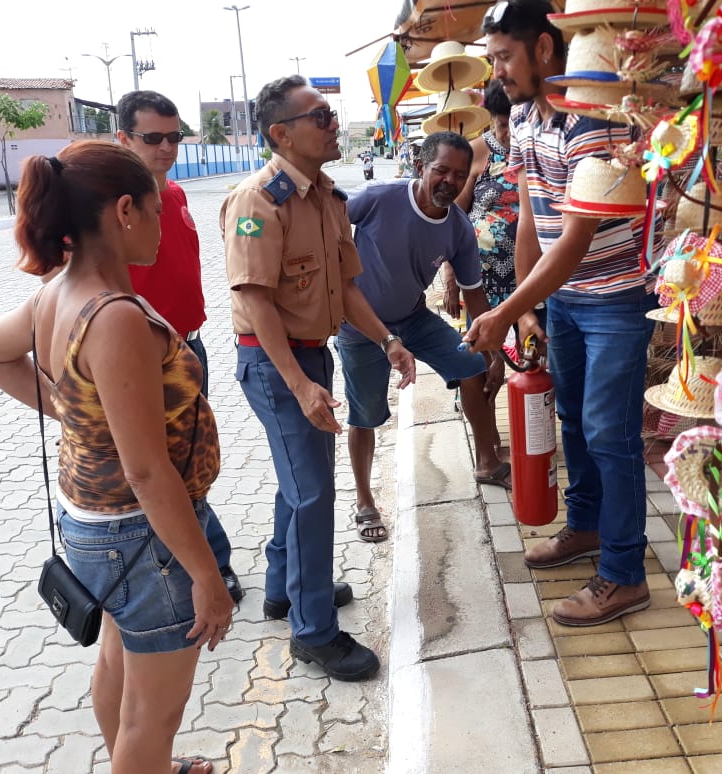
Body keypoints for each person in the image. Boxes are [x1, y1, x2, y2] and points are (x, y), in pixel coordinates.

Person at [0, 141, 233, 774]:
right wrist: (206, 577)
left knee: (117, 668)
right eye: (157, 210)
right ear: (124, 211)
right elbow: (146, 472)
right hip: (144, 538)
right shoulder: (112, 316)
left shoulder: (58, 294)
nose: (163, 224)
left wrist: (73, 410)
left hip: (97, 526)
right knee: (155, 716)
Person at [465, 0, 659, 627]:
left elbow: (575, 235)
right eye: (492, 58)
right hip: (564, 300)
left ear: (543, 50)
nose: (497, 71)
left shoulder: (593, 122)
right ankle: (586, 527)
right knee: (573, 421)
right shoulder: (521, 118)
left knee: (611, 433)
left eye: (503, 57)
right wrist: (527, 310)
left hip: (615, 300)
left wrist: (504, 311)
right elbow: (530, 217)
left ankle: (626, 574)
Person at [221, 75, 416, 682]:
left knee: (299, 482)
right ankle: (313, 633)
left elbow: (347, 287)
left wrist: (388, 340)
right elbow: (254, 301)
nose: (333, 124)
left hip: (310, 357)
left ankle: (285, 588)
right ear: (282, 134)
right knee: (313, 493)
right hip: (276, 363)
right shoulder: (259, 201)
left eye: (331, 114)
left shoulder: (325, 196)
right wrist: (300, 385)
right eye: (321, 116)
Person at [336, 130, 511, 544]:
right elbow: (330, 219)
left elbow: (474, 294)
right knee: (366, 415)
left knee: (473, 366)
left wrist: (493, 350)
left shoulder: (459, 228)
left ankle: (487, 460)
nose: (450, 181)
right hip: (361, 327)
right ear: (420, 167)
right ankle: (364, 500)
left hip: (413, 318)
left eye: (460, 174)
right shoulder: (379, 197)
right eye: (441, 170)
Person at [116, 89, 244, 605]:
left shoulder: (175, 196)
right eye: (153, 138)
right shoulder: (112, 209)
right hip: (142, 359)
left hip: (189, 349)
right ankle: (206, 567)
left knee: (191, 463)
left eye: (174, 137)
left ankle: (200, 563)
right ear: (124, 138)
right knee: (161, 471)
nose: (166, 147)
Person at [445, 78, 519, 314]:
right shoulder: (477, 151)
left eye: (515, 125)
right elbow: (453, 219)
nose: (508, 134)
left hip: (532, 279)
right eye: (502, 125)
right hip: (483, 283)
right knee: (485, 348)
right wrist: (450, 281)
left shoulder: (536, 149)